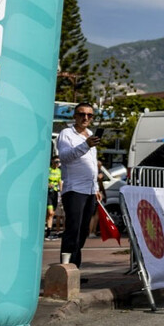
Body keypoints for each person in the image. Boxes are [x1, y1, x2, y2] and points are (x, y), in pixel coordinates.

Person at [55, 103, 104, 269]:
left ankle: (74, 268)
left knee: (83, 231)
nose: (85, 118)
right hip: (74, 189)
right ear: (74, 116)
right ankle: (66, 269)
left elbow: (91, 165)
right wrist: (86, 145)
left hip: (89, 190)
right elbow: (65, 157)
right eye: (82, 114)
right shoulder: (66, 134)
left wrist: (96, 188)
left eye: (90, 115)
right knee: (73, 229)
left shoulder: (90, 134)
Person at [45, 155, 62, 239]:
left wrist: (62, 192)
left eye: (58, 162)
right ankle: (47, 231)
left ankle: (48, 231)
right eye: (56, 162)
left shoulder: (59, 171)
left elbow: (60, 182)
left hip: (55, 193)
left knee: (51, 214)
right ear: (52, 161)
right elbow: (43, 179)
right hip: (48, 192)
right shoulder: (48, 170)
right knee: (50, 212)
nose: (57, 164)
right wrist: (48, 184)